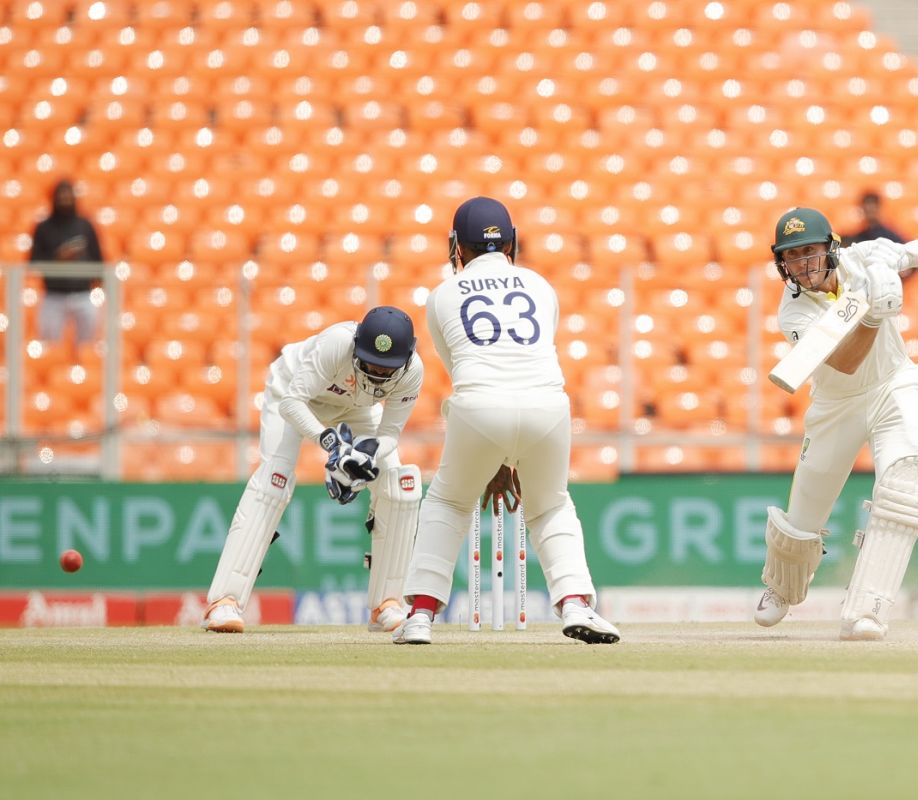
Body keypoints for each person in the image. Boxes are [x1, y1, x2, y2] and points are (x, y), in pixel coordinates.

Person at [395, 196, 620, 645]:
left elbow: (465, 368)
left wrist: (494, 455)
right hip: (548, 406)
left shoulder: (442, 295)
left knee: (448, 502)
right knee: (551, 505)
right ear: (512, 241)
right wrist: (507, 453)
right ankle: (576, 603)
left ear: (456, 246)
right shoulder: (539, 285)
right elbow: (528, 359)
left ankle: (420, 615)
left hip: (479, 405)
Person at [754, 206, 918, 640]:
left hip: (895, 383)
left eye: (809, 252)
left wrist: (898, 257)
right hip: (835, 404)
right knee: (803, 517)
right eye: (792, 256)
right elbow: (844, 363)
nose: (802, 264)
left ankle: (868, 610)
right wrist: (872, 313)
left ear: (831, 249)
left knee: (906, 479)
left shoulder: (865, 258)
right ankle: (781, 588)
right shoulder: (792, 314)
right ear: (781, 263)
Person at [203, 306, 425, 634]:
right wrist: (333, 445)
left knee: (397, 483)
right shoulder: (337, 343)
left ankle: (386, 604)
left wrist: (365, 457)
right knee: (273, 481)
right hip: (293, 395)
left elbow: (389, 434)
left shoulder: (413, 371)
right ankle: (224, 603)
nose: (377, 372)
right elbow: (293, 403)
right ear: (356, 347)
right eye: (370, 362)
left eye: (386, 368)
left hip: (354, 408)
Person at [30, 179, 104, 344]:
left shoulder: (85, 226)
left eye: (68, 195)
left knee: (89, 345)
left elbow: (97, 258)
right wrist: (58, 258)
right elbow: (34, 262)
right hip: (53, 295)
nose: (64, 199)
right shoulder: (44, 228)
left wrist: (98, 279)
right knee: (49, 344)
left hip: (83, 293)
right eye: (61, 195)